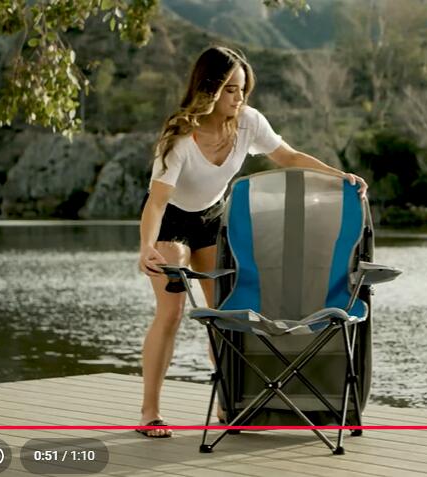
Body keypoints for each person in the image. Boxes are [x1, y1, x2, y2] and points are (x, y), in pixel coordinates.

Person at [136, 46, 367, 438]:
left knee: (225, 317)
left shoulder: (248, 122)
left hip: (212, 218)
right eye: (230, 89)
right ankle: (150, 413)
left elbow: (289, 157)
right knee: (171, 312)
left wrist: (338, 175)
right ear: (209, 89)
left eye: (243, 89)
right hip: (170, 219)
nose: (239, 97)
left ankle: (230, 404)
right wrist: (146, 246)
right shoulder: (179, 136)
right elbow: (157, 201)